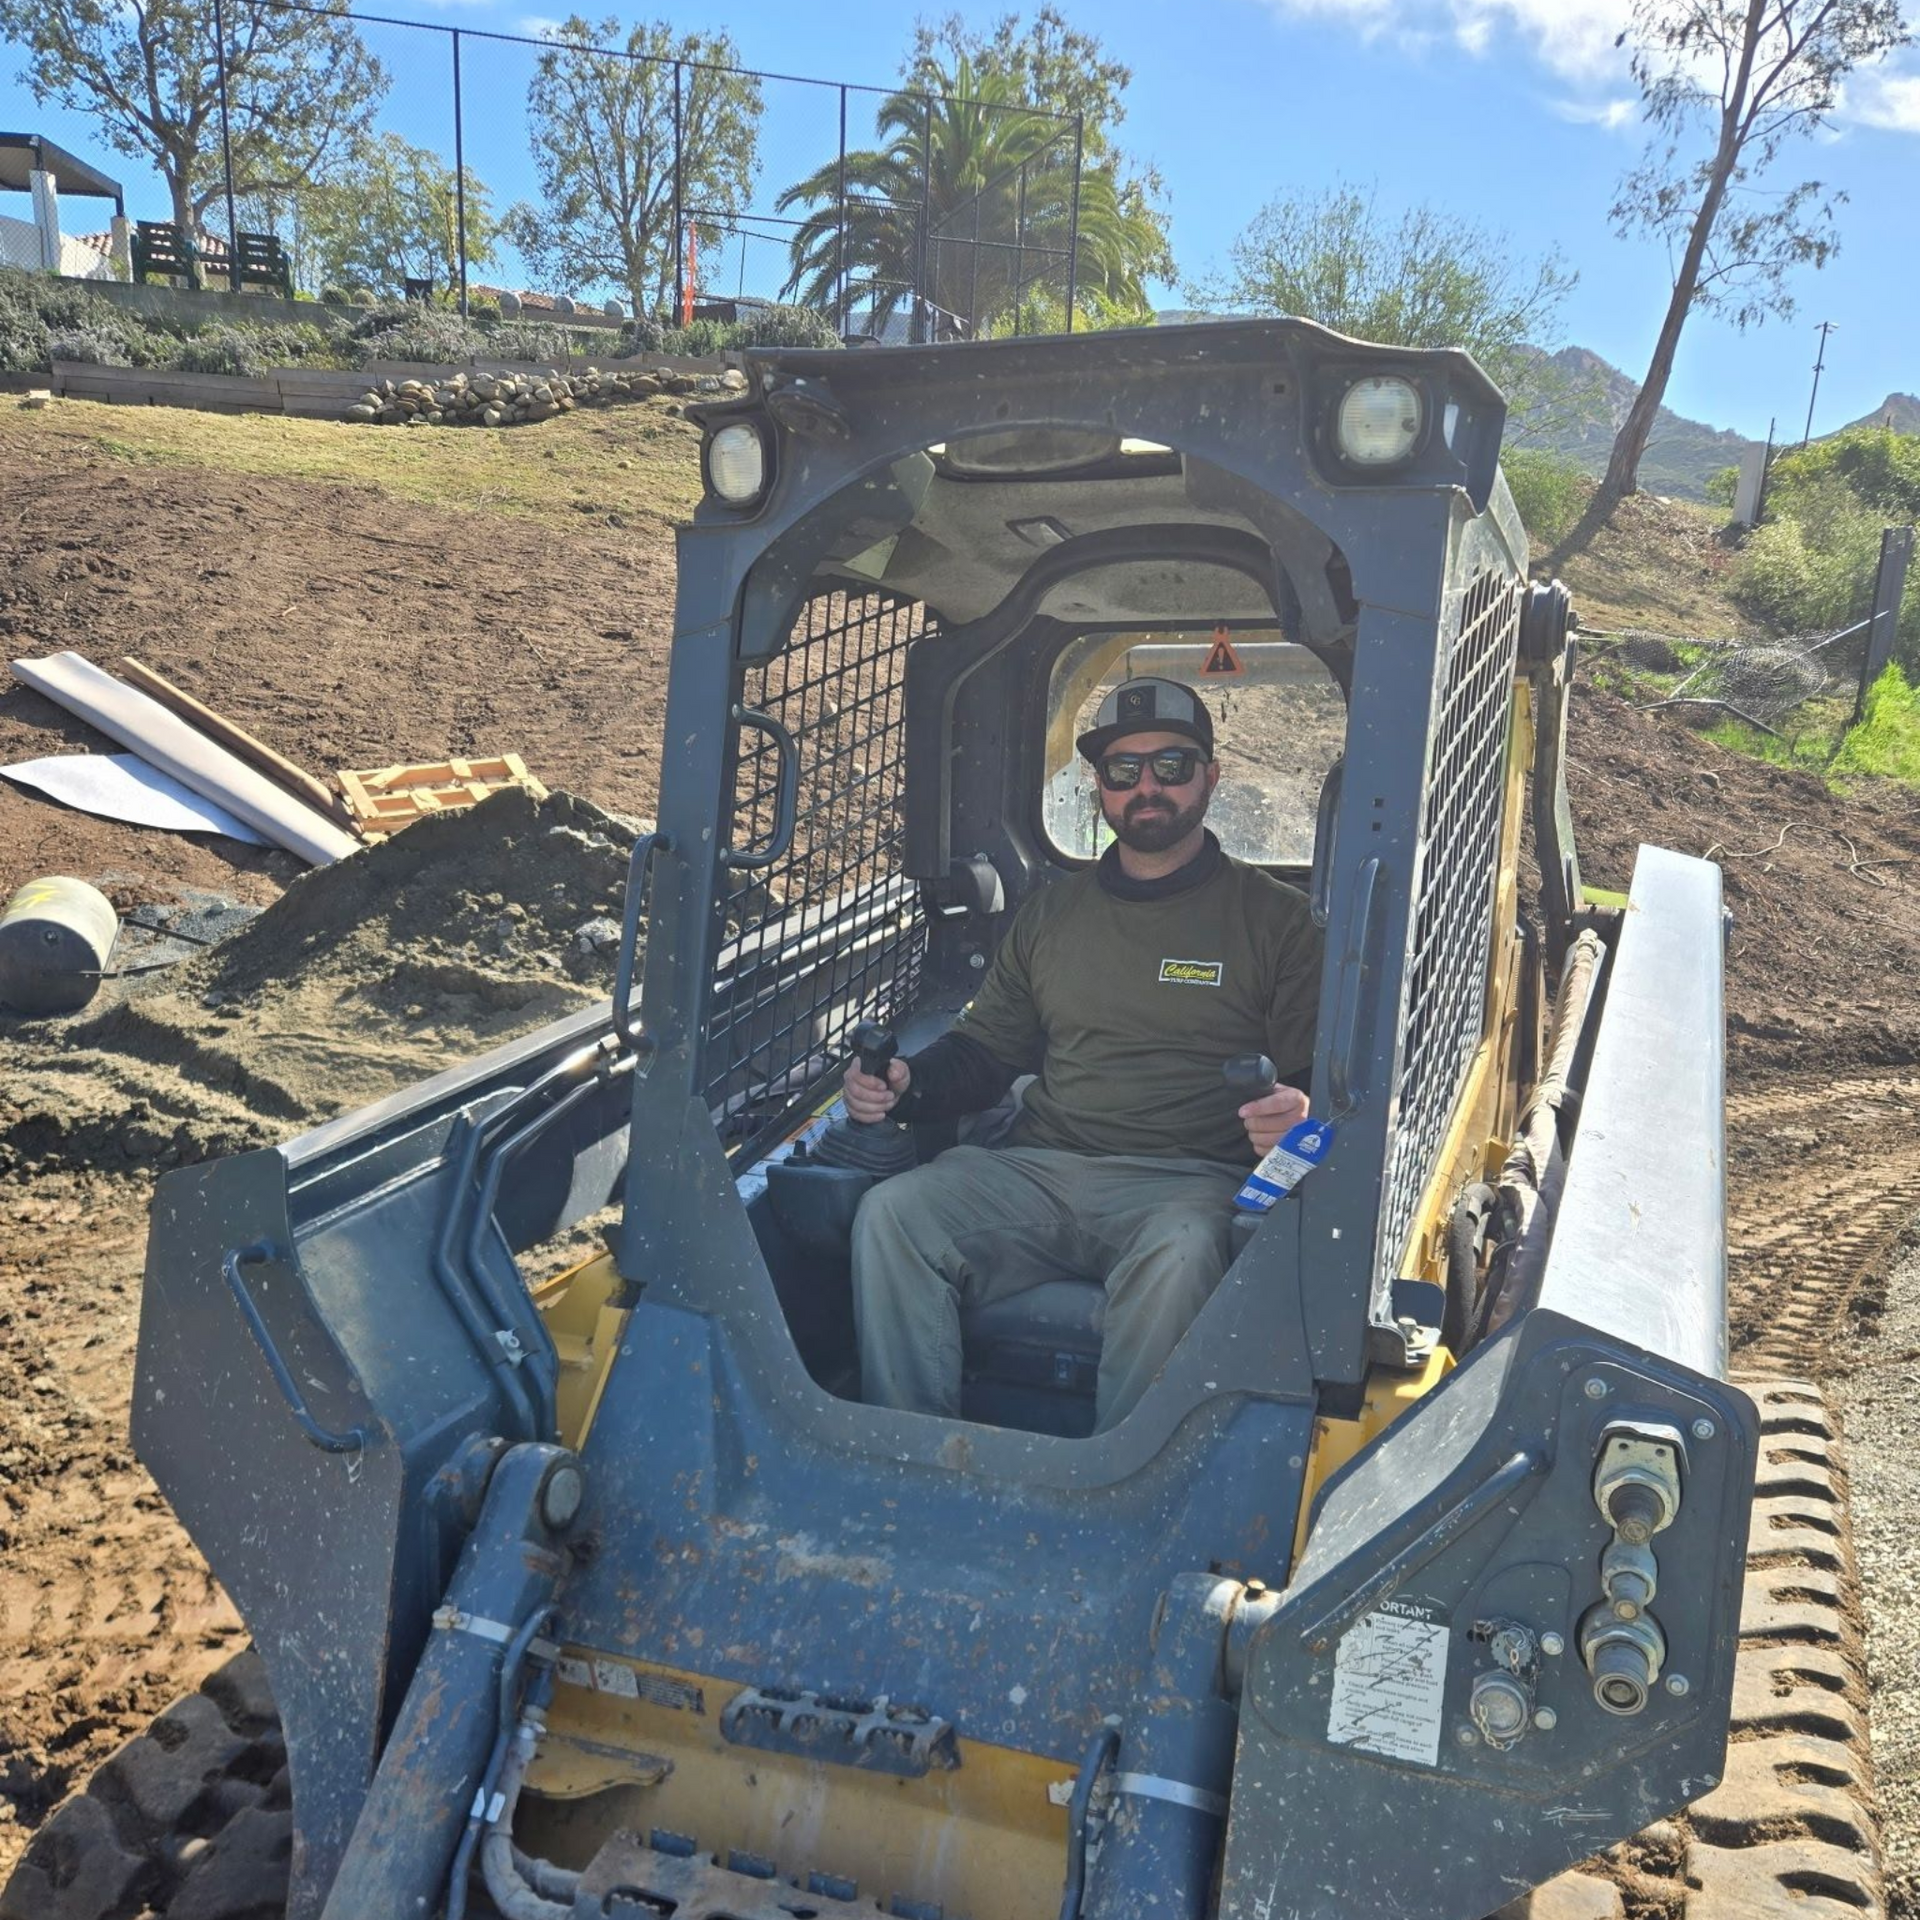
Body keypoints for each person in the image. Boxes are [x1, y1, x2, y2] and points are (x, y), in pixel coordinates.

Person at [845, 674, 1325, 1432]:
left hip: (1184, 1182)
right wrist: (906, 1084)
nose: (1146, 787)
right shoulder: (1051, 915)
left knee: (1183, 1253)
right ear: (1098, 785)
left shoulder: (1279, 923)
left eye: (1171, 765)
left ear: (1210, 776)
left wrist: (1299, 1118)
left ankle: (1121, 1489)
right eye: (1121, 770)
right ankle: (908, 1454)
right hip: (1039, 1167)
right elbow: (986, 1052)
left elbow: (1316, 1093)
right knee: (892, 1213)